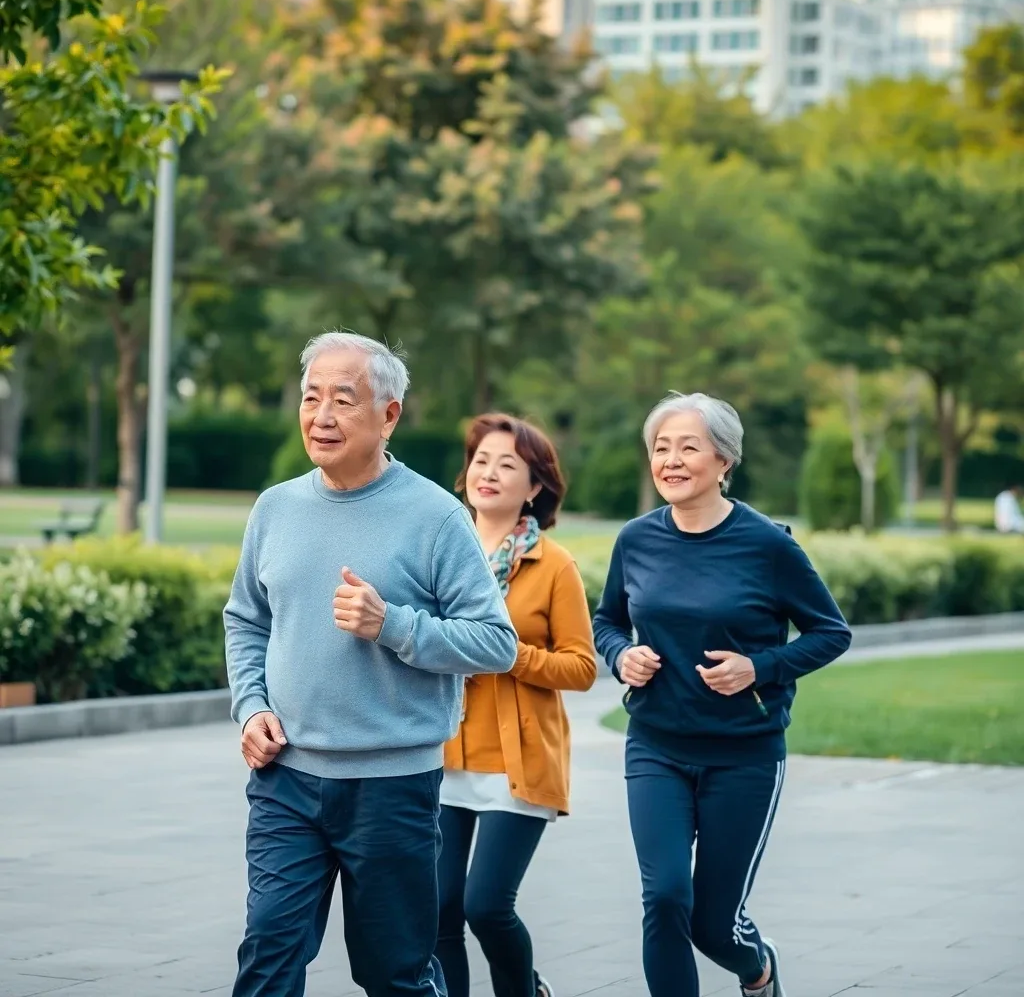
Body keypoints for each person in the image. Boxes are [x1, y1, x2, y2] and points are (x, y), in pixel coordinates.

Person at [224, 331, 519, 997]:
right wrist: (252, 705)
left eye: (343, 400)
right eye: (311, 397)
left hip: (392, 790)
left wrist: (392, 626)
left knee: (395, 974)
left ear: (388, 416)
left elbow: (495, 642)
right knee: (268, 953)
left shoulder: (437, 518)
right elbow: (246, 618)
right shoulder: (275, 508)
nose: (321, 416)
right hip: (285, 779)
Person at [592, 392, 852, 997]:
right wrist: (620, 655)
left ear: (724, 459)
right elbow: (607, 620)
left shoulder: (767, 545)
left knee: (713, 926)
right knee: (663, 900)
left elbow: (830, 632)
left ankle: (758, 970)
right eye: (661, 448)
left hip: (744, 755)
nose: (671, 460)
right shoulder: (636, 540)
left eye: (688, 446)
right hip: (655, 745)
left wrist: (758, 668)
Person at [435, 414, 597, 997]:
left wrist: (508, 656)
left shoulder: (554, 565)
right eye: (481, 460)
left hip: (517, 761)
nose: (489, 473)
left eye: (508, 465)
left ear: (534, 488)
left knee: (486, 906)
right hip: (442, 751)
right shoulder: (440, 550)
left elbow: (581, 667)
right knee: (438, 911)